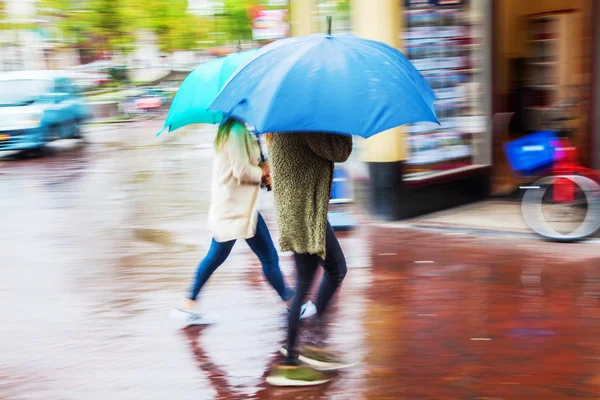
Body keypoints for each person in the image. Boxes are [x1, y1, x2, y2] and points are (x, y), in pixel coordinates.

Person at [173, 118, 315, 325]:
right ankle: (292, 305)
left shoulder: (237, 130)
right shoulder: (236, 131)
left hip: (239, 208)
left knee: (220, 257)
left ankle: (188, 304)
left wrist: (265, 166)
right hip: (234, 209)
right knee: (264, 257)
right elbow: (241, 171)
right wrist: (264, 172)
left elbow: (250, 164)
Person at [264, 132, 353, 386]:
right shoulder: (304, 126)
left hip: (302, 212)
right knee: (323, 276)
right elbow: (340, 152)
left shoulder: (284, 126)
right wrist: (342, 125)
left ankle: (306, 347)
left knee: (318, 278)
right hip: (305, 215)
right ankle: (292, 361)